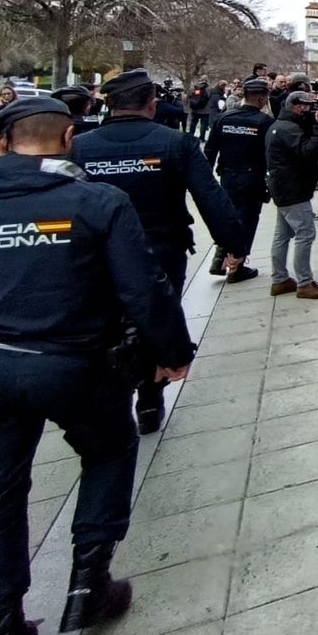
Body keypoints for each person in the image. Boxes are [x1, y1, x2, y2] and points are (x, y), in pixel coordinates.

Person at [0, 97, 195, 635]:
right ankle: (89, 578)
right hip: (74, 365)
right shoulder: (95, 202)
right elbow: (143, 287)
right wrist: (171, 352)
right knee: (109, 452)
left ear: (1, 143)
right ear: (68, 138)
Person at [71, 68, 245, 432]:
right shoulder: (174, 142)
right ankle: (150, 396)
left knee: (104, 321)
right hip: (159, 249)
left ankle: (122, 394)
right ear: (152, 104)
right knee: (156, 315)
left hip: (97, 254)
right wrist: (233, 244)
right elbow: (211, 197)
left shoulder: (81, 147)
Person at [203, 77, 273, 283]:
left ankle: (220, 258)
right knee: (248, 220)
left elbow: (209, 150)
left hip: (227, 175)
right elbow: (270, 153)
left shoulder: (224, 118)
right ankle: (236, 266)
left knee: (228, 218)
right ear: (261, 98)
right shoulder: (265, 122)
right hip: (252, 177)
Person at [265, 91, 318, 300]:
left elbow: (301, 151)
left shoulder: (280, 126)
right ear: (296, 106)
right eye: (308, 106)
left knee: (282, 234)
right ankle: (304, 282)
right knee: (305, 233)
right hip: (292, 188)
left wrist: (313, 147)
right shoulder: (288, 128)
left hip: (283, 186)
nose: (311, 111)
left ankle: (280, 279)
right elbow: (306, 151)